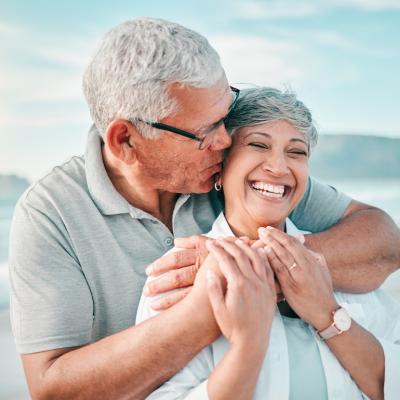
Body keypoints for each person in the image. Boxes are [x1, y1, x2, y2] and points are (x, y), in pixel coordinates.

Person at [8, 18, 400, 400]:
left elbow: (384, 243)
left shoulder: (235, 173)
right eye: (204, 131)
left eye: (225, 114)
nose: (225, 139)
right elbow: (53, 388)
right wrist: (214, 300)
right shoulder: (49, 215)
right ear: (126, 140)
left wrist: (251, 265)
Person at [137, 87, 400, 400]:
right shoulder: (181, 274)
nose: (278, 167)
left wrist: (328, 315)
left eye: (296, 152)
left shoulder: (348, 264)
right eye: (258, 145)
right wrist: (248, 344)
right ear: (220, 168)